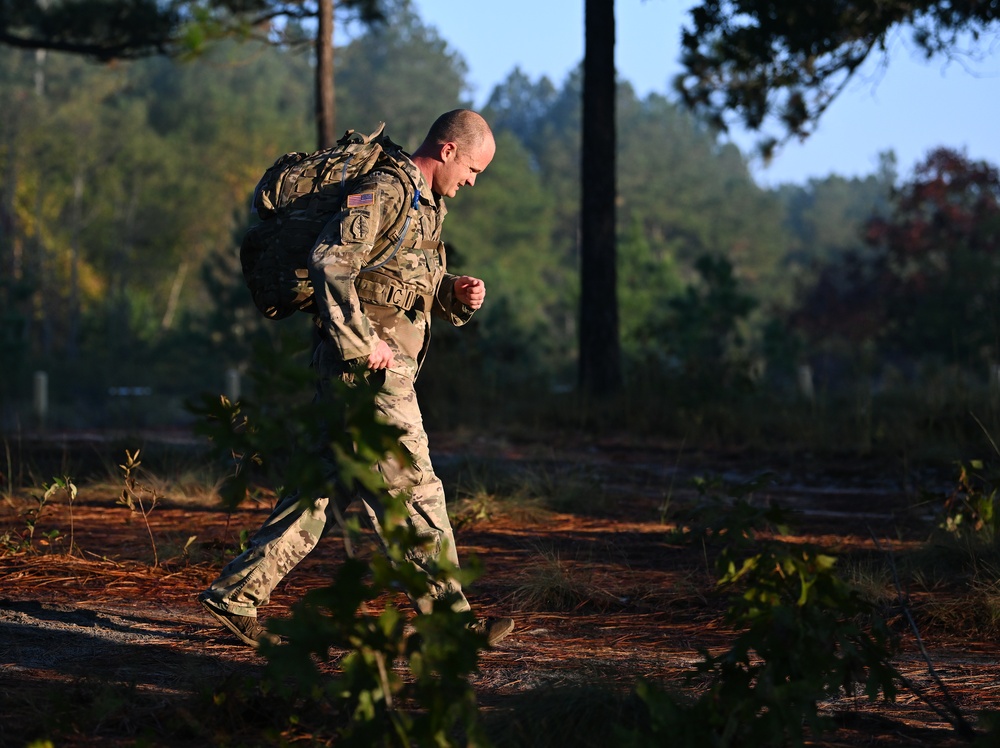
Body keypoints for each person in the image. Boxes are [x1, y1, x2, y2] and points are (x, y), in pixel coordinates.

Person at [198, 109, 514, 649]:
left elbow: (395, 282)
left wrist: (453, 293)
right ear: (448, 151)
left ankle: (236, 596)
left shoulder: (423, 203)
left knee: (319, 490)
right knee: (416, 491)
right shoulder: (388, 189)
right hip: (368, 376)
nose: (471, 183)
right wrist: (361, 341)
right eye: (473, 170)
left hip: (364, 372)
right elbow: (331, 261)